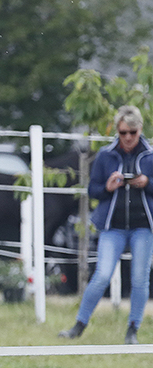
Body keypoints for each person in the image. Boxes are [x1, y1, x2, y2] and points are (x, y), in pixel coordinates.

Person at [59, 105, 153, 344]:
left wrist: (147, 183)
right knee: (101, 274)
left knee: (140, 278)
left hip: (143, 226)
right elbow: (93, 190)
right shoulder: (105, 155)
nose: (128, 137)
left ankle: (133, 329)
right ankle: (79, 325)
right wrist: (108, 187)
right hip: (113, 227)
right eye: (123, 132)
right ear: (118, 132)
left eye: (132, 132)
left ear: (140, 129)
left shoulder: (150, 156)